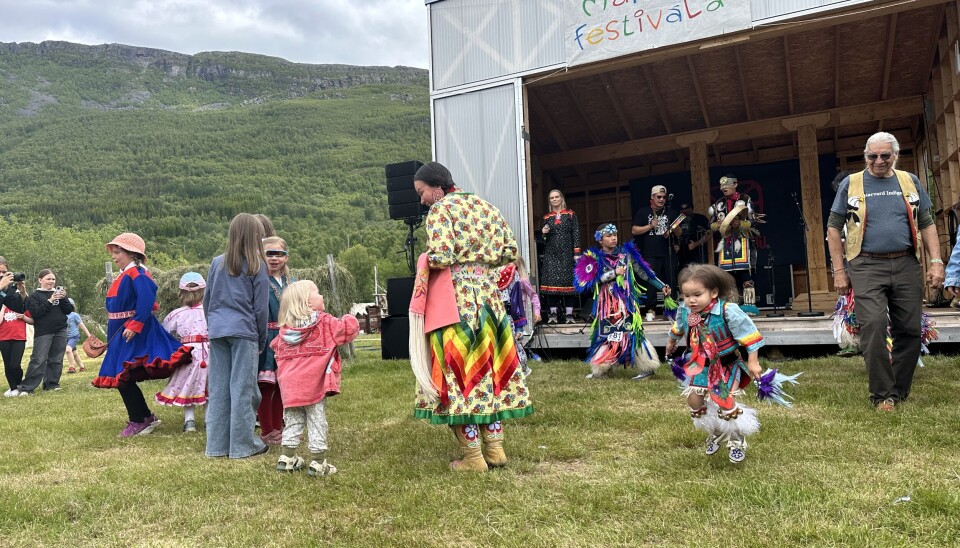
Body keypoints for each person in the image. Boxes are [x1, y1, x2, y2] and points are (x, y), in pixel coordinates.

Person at [409, 161, 534, 472]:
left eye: (422, 192)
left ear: (436, 187)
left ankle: (473, 458)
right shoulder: (485, 206)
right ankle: (495, 450)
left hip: (456, 300)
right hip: (489, 299)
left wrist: (426, 259)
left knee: (459, 374)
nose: (422, 199)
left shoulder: (441, 210)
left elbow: (441, 255)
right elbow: (510, 250)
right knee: (488, 370)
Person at [827, 132, 944, 411]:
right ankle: (882, 395)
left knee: (910, 330)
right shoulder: (851, 183)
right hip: (866, 264)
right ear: (866, 156)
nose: (878, 161)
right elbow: (833, 228)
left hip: (905, 263)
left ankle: (898, 390)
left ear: (895, 155)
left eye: (885, 155)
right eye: (872, 156)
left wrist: (937, 261)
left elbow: (927, 222)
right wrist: (839, 271)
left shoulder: (909, 181)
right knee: (875, 326)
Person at [92, 233, 193, 437]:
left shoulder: (137, 273)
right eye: (113, 251)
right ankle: (144, 417)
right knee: (121, 375)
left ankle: (141, 419)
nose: (114, 255)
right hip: (121, 330)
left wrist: (135, 324)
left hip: (132, 332)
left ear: (132, 253)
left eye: (118, 251)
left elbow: (147, 299)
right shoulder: (126, 274)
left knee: (122, 375)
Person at [665, 264, 764, 464]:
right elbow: (679, 327)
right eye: (686, 295)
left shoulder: (728, 311)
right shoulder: (686, 311)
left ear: (714, 292)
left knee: (723, 400)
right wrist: (671, 342)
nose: (690, 300)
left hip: (726, 364)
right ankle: (717, 431)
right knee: (694, 401)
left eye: (697, 294)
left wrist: (753, 363)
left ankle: (737, 439)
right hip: (701, 365)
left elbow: (751, 337)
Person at [271, 280, 359, 476]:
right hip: (313, 386)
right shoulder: (325, 322)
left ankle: (286, 458)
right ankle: (318, 463)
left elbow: (275, 347)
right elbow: (348, 330)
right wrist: (349, 316)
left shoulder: (285, 331)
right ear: (309, 303)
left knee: (293, 421)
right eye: (317, 293)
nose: (322, 296)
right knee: (317, 420)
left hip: (289, 388)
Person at [204, 213, 270, 459]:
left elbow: (207, 300)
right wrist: (261, 341)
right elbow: (260, 309)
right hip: (244, 332)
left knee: (220, 388)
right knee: (243, 388)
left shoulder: (216, 263)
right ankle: (243, 446)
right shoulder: (257, 265)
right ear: (256, 236)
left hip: (218, 330)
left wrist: (213, 326)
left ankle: (216, 447)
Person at [574, 223, 669, 380]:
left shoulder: (626, 255)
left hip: (625, 303)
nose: (613, 238)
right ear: (600, 239)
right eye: (608, 236)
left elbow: (644, 272)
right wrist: (613, 273)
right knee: (605, 334)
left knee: (632, 332)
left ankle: (647, 367)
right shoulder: (594, 259)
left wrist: (661, 286)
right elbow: (590, 283)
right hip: (606, 305)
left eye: (615, 235)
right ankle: (602, 370)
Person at [156, 272, 210, 433]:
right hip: (210, 353)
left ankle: (190, 421)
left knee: (188, 385)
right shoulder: (210, 311)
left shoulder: (176, 314)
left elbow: (165, 333)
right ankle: (209, 420)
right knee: (210, 386)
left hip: (188, 354)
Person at [708, 175, 761, 315]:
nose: (723, 188)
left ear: (736, 184)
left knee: (744, 273)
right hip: (725, 242)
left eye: (727, 185)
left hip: (742, 240)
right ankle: (730, 307)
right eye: (721, 186)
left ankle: (749, 306)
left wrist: (741, 224)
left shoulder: (745, 199)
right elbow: (711, 225)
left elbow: (753, 220)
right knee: (727, 276)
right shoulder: (719, 203)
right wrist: (717, 225)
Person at [257, 236, 292, 445]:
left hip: (288, 337)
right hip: (267, 337)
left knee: (282, 385)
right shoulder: (259, 280)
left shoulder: (292, 282)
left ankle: (279, 427)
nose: (274, 258)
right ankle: (267, 430)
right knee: (266, 385)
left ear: (286, 257)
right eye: (269, 253)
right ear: (261, 256)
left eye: (279, 254)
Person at [16, 269, 74, 394]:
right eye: (48, 279)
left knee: (56, 359)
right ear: (40, 280)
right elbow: (36, 313)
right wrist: (50, 300)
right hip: (44, 331)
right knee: (39, 359)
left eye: (53, 279)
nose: (51, 281)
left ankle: (51, 384)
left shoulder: (59, 294)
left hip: (61, 329)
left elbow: (69, 310)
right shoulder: (35, 296)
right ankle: (27, 387)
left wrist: (64, 299)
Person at [632, 185, 679, 321]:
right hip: (649, 253)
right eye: (659, 197)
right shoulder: (643, 212)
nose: (662, 199)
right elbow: (634, 230)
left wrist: (675, 229)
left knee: (671, 280)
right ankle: (650, 309)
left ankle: (670, 309)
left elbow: (680, 233)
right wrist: (650, 226)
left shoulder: (671, 212)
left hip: (668, 253)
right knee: (651, 282)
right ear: (652, 198)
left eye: (664, 197)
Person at [539, 189, 581, 324]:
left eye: (557, 197)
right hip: (551, 254)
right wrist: (544, 233)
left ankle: (569, 316)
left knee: (568, 284)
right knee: (552, 286)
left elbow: (576, 234)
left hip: (567, 254)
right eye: (552, 198)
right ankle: (553, 315)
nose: (555, 199)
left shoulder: (570, 214)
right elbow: (544, 240)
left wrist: (577, 253)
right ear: (549, 200)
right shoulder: (547, 217)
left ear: (561, 198)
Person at [497, 256, 541, 376]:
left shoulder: (522, 281)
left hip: (518, 316)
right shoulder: (503, 280)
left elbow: (533, 296)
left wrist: (537, 311)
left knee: (517, 341)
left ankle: (524, 368)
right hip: (511, 314)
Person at [0, 259, 32, 397]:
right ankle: (14, 388)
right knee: (8, 363)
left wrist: (23, 292)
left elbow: (19, 308)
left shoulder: (10, 290)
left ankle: (17, 387)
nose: (2, 275)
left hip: (17, 335)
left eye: (4, 272)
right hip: (3, 333)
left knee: (13, 364)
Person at [675, 202, 710, 270]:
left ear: (692, 209)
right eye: (683, 213)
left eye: (688, 212)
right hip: (681, 253)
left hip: (698, 252)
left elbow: (709, 234)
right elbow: (671, 234)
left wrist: (696, 243)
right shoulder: (677, 220)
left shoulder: (701, 218)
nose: (686, 214)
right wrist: (674, 244)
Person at [65, 299, 92, 374]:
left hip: (74, 337)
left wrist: (89, 335)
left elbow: (82, 326)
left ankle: (71, 367)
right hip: (65, 338)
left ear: (72, 306)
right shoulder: (61, 315)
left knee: (68, 350)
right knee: (74, 353)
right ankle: (82, 366)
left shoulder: (74, 315)